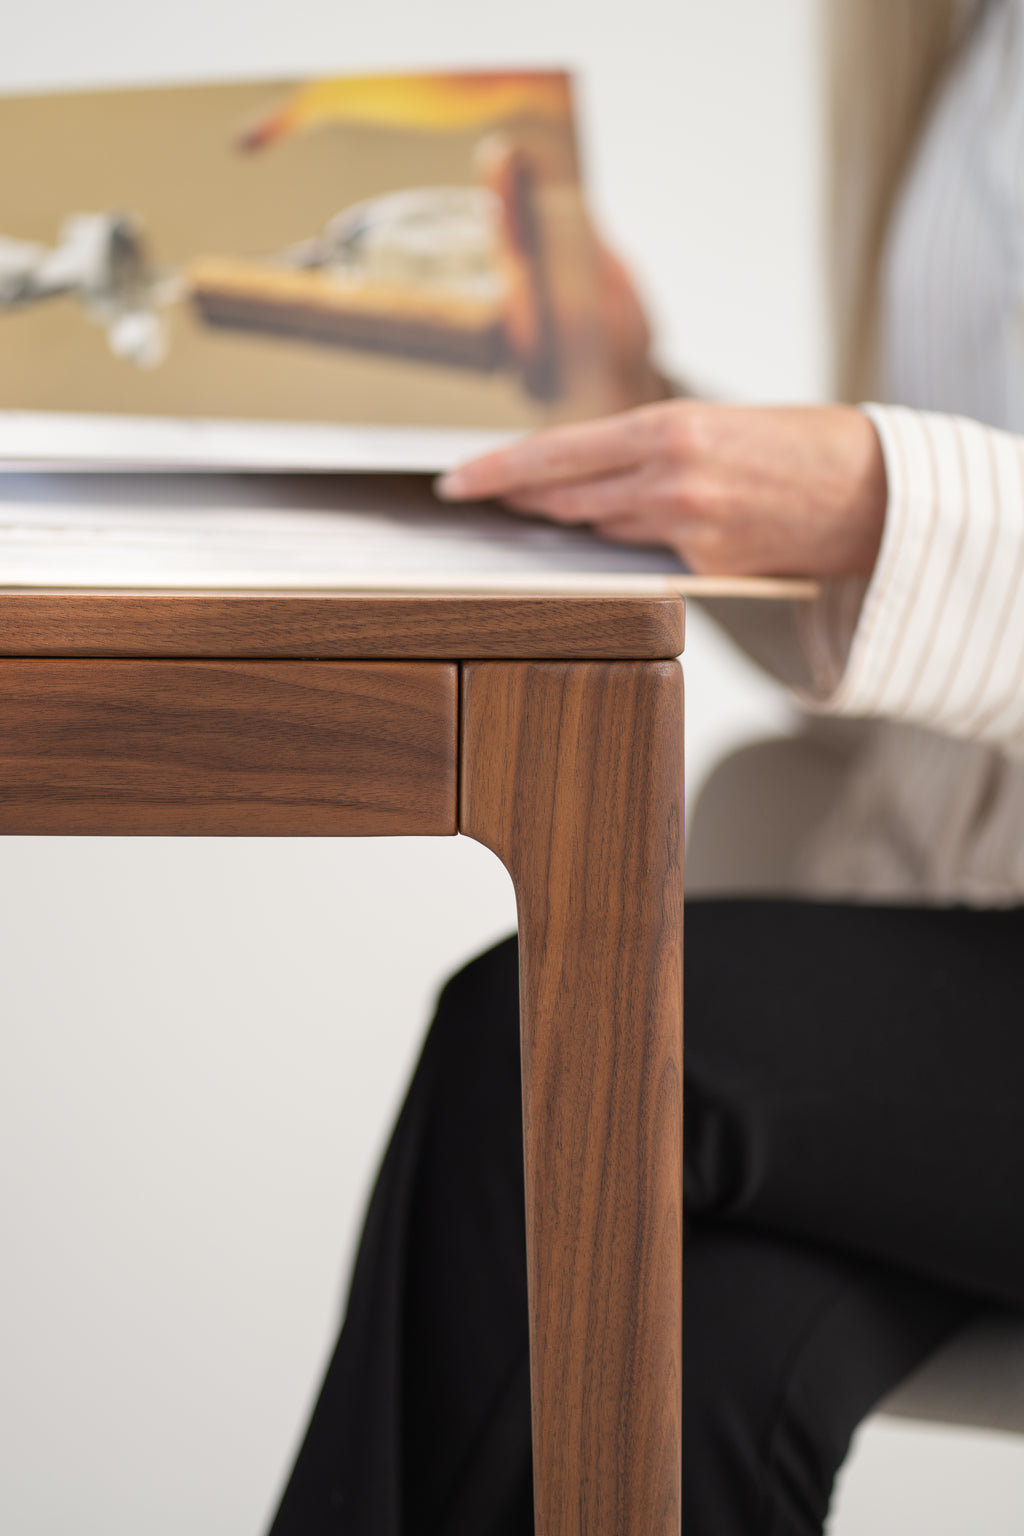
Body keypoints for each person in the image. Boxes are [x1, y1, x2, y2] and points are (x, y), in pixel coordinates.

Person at [268, 2, 1024, 1531]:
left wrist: (892, 507)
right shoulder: (965, 49)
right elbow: (933, 660)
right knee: (668, 1352)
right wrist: (636, 399)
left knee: (565, 1043)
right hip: (958, 932)